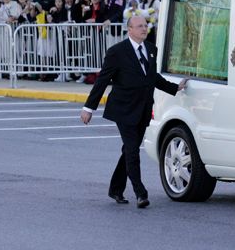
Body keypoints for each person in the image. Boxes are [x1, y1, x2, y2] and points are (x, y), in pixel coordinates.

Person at [80, 16, 187, 208]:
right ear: (129, 29)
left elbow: (153, 77)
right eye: (139, 26)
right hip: (124, 109)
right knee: (132, 151)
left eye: (146, 26)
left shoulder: (151, 50)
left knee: (128, 151)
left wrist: (175, 88)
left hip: (143, 109)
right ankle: (140, 193)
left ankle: (115, 189)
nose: (144, 29)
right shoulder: (117, 52)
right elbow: (102, 80)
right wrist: (89, 108)